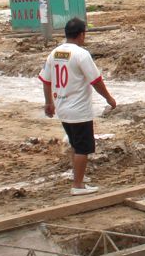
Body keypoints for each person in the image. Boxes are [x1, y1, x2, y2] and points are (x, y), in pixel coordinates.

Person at [40, 17, 116, 195]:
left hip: (63, 108)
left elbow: (46, 80)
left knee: (75, 144)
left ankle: (78, 177)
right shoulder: (82, 54)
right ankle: (78, 185)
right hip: (79, 109)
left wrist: (49, 102)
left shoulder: (55, 53)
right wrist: (109, 98)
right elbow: (96, 81)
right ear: (82, 34)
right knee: (83, 147)